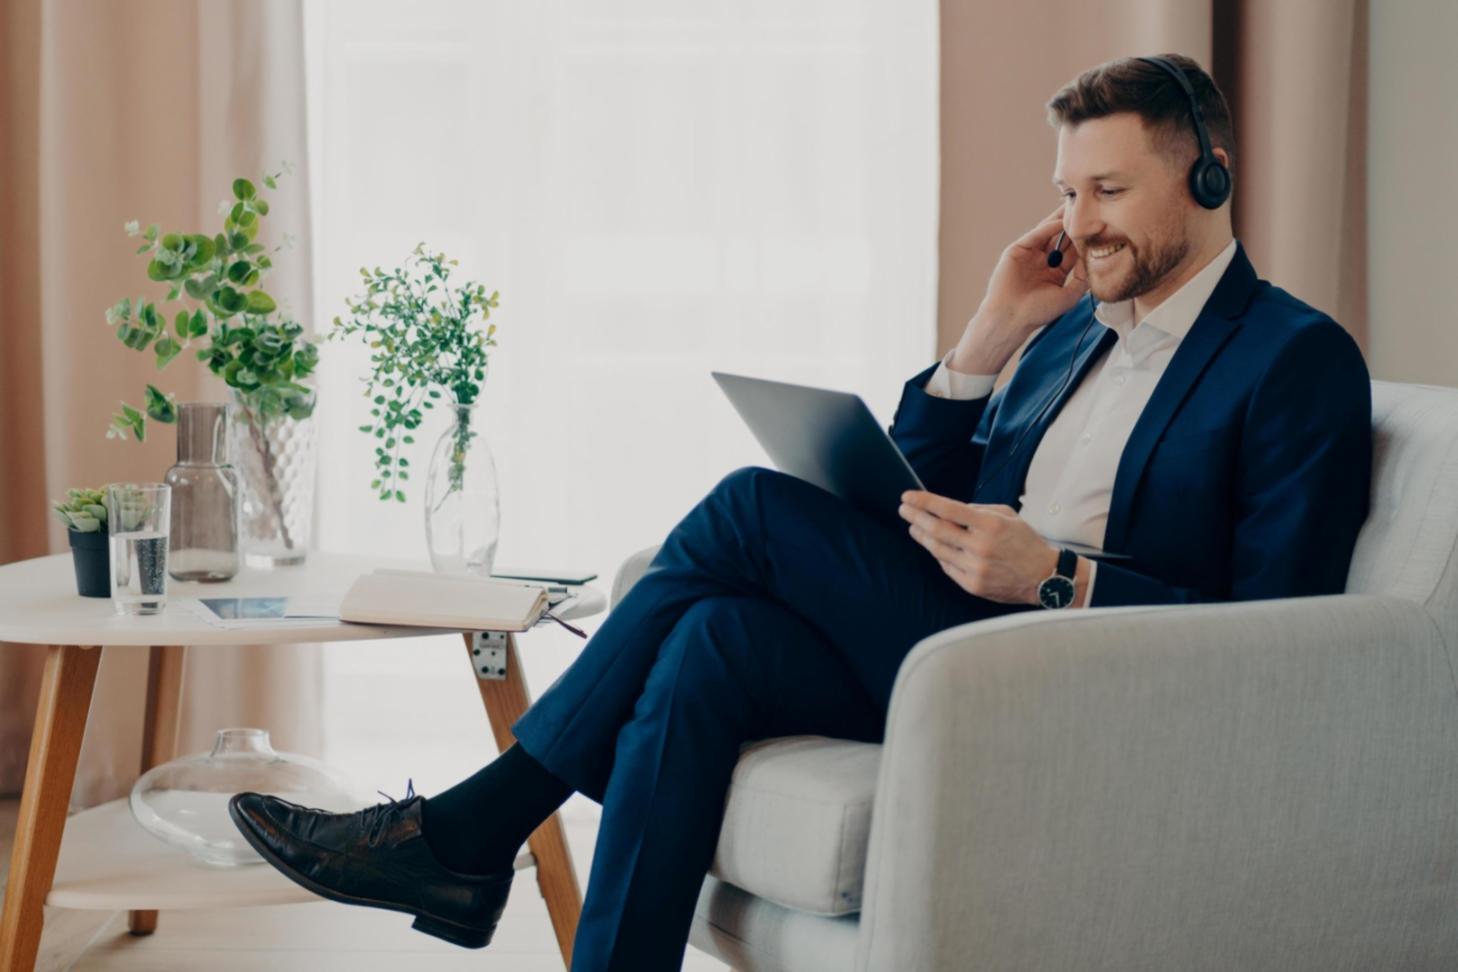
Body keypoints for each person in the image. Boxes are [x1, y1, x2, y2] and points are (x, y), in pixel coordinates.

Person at [229, 53, 1371, 971]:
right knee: (709, 644)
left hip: (1086, 675)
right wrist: (985, 337)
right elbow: (920, 489)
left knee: (749, 510)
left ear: (1210, 176)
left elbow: (1283, 627)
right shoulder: (1068, 329)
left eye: (1110, 191)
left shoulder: (1293, 358)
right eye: (1069, 192)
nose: (1082, 224)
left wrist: (1058, 577)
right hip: (967, 644)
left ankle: (471, 832)